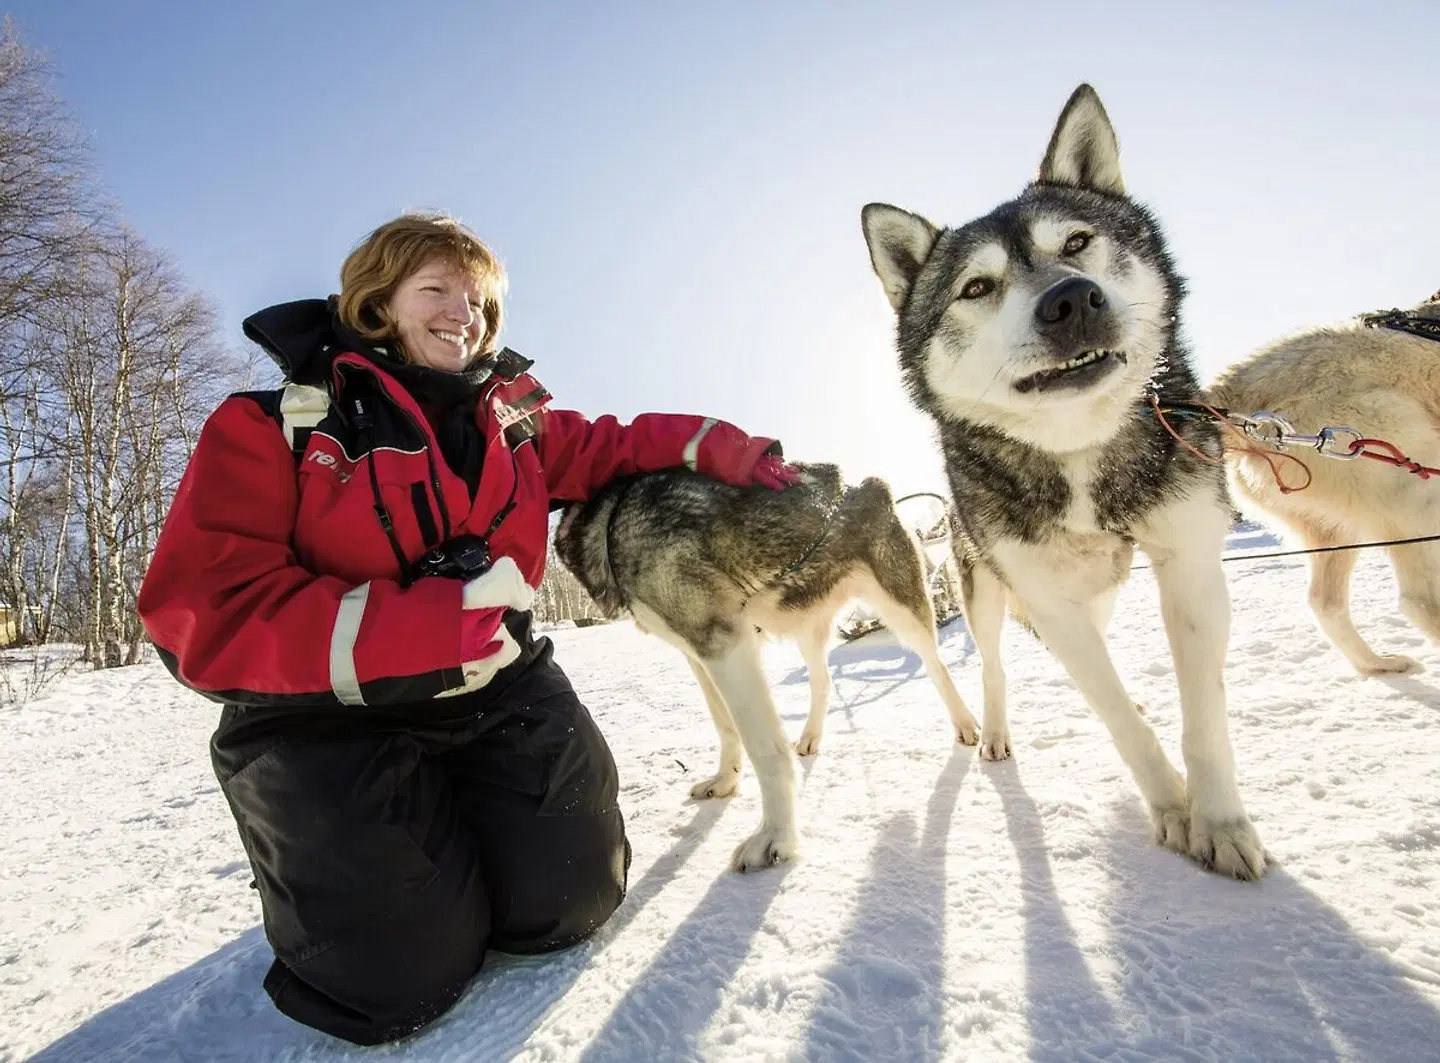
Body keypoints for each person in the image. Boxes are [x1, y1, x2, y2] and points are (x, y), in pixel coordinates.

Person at [137, 212, 798, 1045]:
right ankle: (358, 872)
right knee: (392, 980)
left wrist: (727, 448)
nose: (466, 312)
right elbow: (204, 608)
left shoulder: (513, 423)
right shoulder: (274, 427)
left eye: (481, 298)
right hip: (324, 717)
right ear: (380, 301)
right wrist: (423, 628)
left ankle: (440, 842)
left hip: (490, 690)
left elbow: (616, 445)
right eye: (437, 289)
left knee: (572, 898)